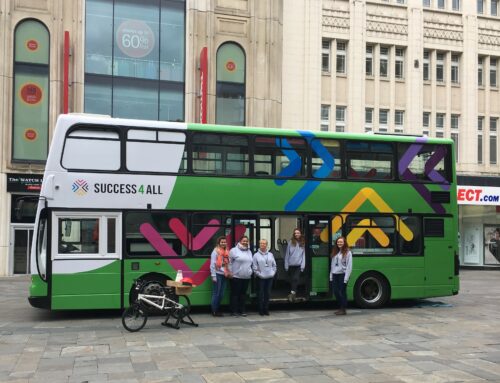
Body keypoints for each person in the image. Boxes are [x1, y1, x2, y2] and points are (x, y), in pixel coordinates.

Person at [228, 235, 253, 316]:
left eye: (246, 241)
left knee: (243, 295)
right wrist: (230, 272)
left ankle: (242, 310)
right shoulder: (233, 250)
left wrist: (250, 271)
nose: (245, 242)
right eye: (243, 241)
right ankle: (234, 311)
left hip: (246, 277)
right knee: (235, 294)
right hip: (236, 276)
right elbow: (229, 262)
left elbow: (250, 262)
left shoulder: (249, 251)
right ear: (240, 241)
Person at [252, 239, 277, 316]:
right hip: (260, 278)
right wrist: (260, 275)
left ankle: (266, 309)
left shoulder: (270, 254)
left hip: (269, 277)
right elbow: (254, 267)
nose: (263, 245)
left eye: (264, 243)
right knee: (260, 294)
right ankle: (260, 309)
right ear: (259, 245)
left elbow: (274, 266)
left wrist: (272, 274)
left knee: (267, 293)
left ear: (267, 245)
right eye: (261, 243)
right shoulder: (256, 255)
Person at [330, 236, 353, 315]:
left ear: (344, 243)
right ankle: (341, 307)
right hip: (335, 274)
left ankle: (343, 309)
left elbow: (349, 266)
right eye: (338, 242)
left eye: (341, 242)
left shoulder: (348, 252)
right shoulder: (335, 251)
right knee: (336, 291)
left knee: (342, 292)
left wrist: (346, 279)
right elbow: (332, 265)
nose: (339, 243)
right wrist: (331, 275)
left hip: (342, 275)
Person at [209, 236, 231, 317]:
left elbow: (228, 263)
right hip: (217, 274)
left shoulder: (227, 252)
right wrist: (213, 275)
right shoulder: (215, 251)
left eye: (225, 242)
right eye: (222, 242)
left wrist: (229, 272)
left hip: (224, 275)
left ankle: (217, 308)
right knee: (216, 293)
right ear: (219, 243)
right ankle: (214, 310)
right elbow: (212, 264)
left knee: (221, 294)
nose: (223, 243)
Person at [284, 228, 305, 302]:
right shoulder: (290, 242)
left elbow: (303, 256)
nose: (296, 234)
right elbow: (287, 254)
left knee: (295, 278)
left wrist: (302, 266)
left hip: (299, 265)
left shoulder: (303, 243)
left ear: (300, 234)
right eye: (295, 233)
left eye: (298, 233)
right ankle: (293, 294)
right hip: (291, 265)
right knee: (293, 279)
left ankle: (292, 293)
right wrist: (286, 265)